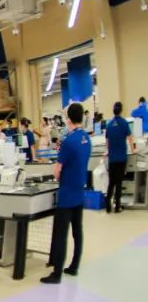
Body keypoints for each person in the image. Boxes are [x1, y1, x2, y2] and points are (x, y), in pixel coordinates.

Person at [42, 103, 91, 284]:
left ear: (68, 118)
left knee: (61, 234)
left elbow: (57, 171)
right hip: (79, 190)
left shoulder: (68, 141)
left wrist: (60, 175)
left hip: (67, 192)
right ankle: (74, 266)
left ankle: (56, 274)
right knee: (77, 230)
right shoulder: (86, 137)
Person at [104, 101, 134, 213]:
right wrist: (133, 149)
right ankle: (117, 207)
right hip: (121, 157)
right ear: (121, 110)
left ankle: (108, 206)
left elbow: (107, 141)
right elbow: (130, 138)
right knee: (119, 182)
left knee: (111, 182)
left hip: (112, 158)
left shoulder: (109, 124)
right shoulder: (124, 123)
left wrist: (107, 151)